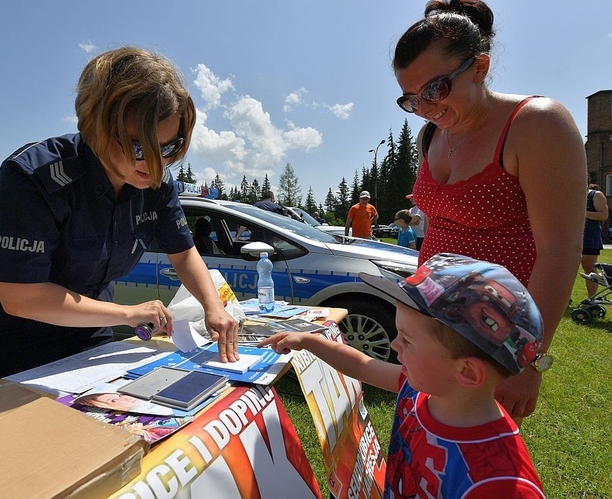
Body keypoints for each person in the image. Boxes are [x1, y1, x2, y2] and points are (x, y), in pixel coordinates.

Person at [0, 46, 239, 389]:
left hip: (89, 331)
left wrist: (214, 306)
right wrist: (129, 313)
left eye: (169, 147)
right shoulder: (34, 176)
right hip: (12, 340)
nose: (155, 164)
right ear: (97, 125)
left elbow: (183, 252)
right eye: (139, 147)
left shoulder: (156, 183)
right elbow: (22, 296)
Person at [394, 0, 586, 423]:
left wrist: (528, 361)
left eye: (436, 89)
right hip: (431, 332)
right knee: (425, 443)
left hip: (492, 341)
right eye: (411, 98)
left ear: (479, 67)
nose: (425, 108)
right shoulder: (431, 135)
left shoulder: (536, 124)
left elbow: (561, 250)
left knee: (479, 460)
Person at [259, 253, 546, 497]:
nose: (395, 345)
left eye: (407, 340)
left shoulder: (500, 482)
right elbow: (362, 366)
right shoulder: (422, 390)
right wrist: (308, 341)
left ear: (468, 372)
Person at [582, 183, 609, 298]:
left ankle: (592, 297)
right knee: (567, 268)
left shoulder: (595, 195)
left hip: (589, 237)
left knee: (589, 267)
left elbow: (603, 215)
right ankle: (566, 299)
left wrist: (582, 213)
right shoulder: (568, 195)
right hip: (570, 236)